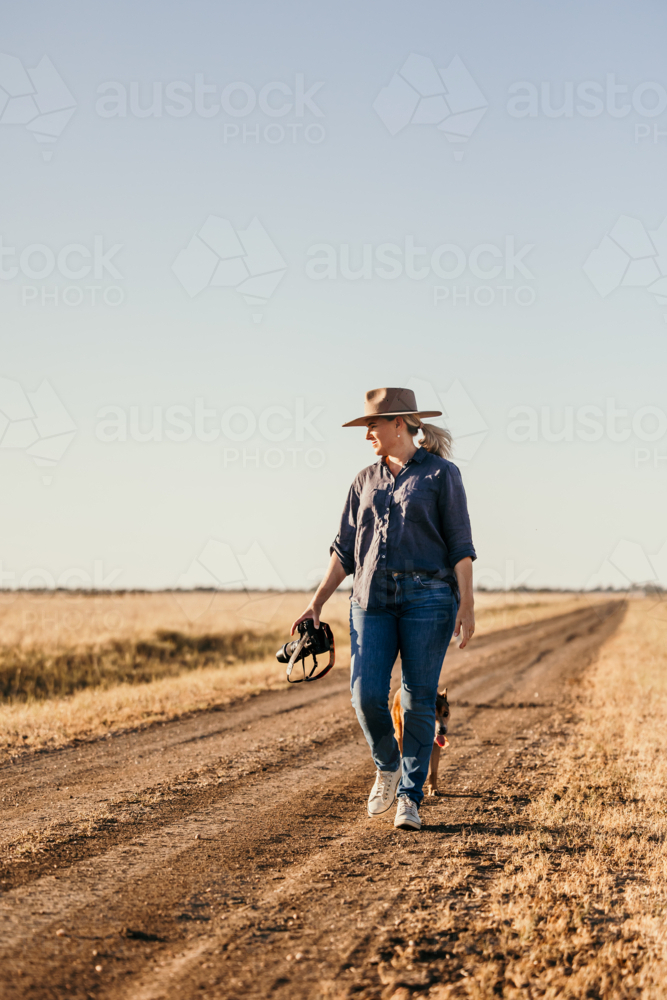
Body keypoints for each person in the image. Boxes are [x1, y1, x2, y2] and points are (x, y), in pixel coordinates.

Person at [292, 387, 476, 831]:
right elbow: (344, 552)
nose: (367, 433)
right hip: (370, 600)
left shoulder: (441, 475)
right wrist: (315, 603)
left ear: (400, 424)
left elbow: (461, 545)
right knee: (365, 695)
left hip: (429, 600)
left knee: (416, 701)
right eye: (366, 425)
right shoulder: (363, 480)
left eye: (373, 425)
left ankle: (410, 799)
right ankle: (388, 765)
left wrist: (466, 603)